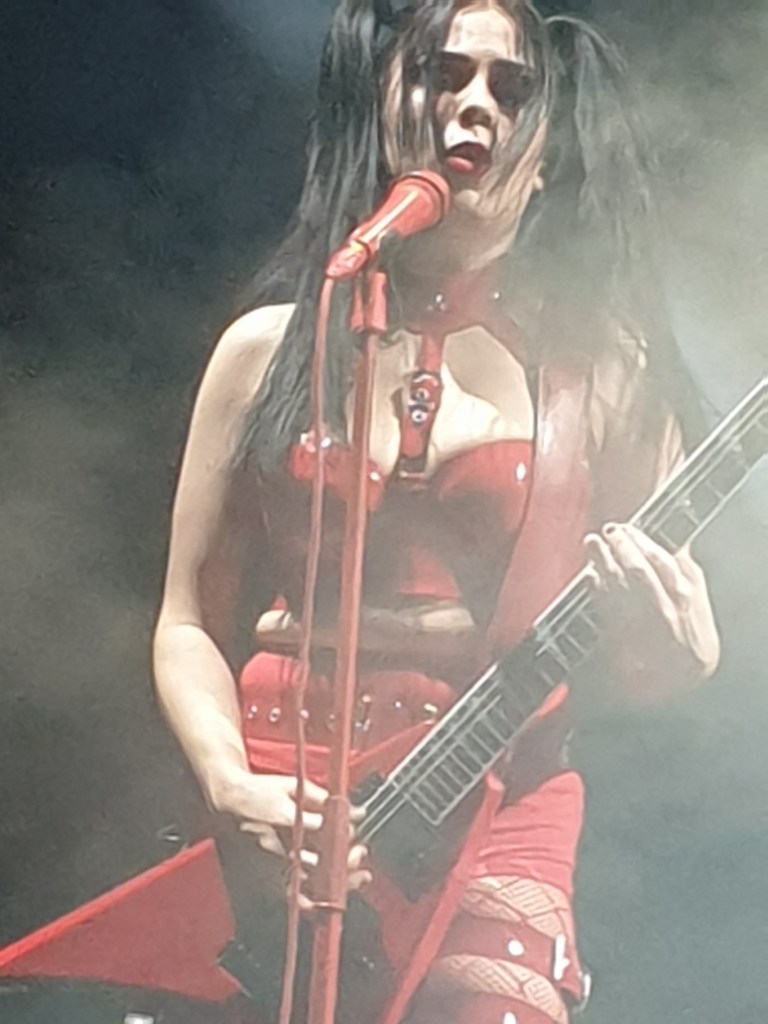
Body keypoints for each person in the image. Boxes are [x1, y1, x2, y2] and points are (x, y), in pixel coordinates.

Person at [152, 0, 721, 1021]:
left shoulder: (605, 379)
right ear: (382, 107)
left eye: (512, 89)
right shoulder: (265, 351)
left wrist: (683, 653)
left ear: (542, 161)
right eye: (442, 75)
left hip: (493, 808)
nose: (475, 106)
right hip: (277, 807)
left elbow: (637, 666)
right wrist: (230, 784)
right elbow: (187, 619)